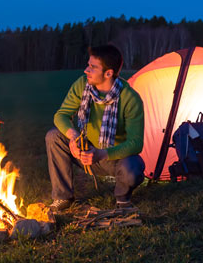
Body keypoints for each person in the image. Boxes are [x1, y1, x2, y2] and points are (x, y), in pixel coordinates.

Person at [46, 44, 145, 212]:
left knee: (133, 167)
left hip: (113, 158)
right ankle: (63, 197)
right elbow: (61, 115)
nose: (86, 70)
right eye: (88, 65)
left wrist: (103, 153)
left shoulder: (130, 98)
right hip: (85, 151)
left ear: (108, 73)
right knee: (54, 136)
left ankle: (122, 199)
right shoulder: (82, 85)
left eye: (92, 67)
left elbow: (136, 143)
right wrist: (73, 137)